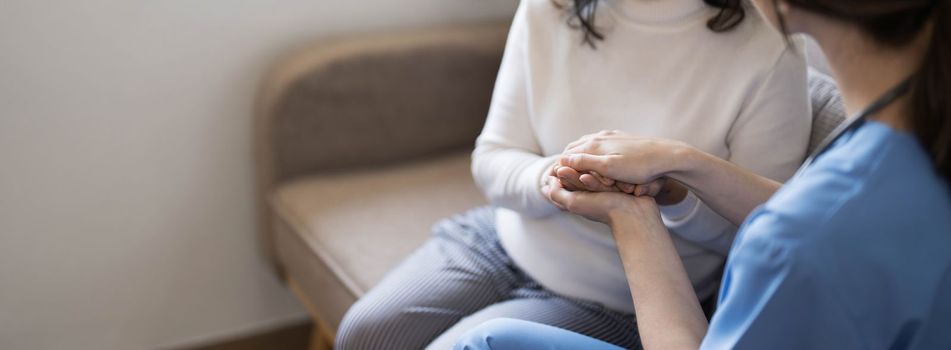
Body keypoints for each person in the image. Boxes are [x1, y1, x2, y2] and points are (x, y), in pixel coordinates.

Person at [455, 0, 951, 349]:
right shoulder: (908, 146)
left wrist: (633, 216)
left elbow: (802, 233)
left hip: (619, 298)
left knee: (479, 343)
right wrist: (685, 161)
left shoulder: (790, 242)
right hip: (513, 241)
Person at [334, 0, 812, 348]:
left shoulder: (769, 53)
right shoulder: (549, 9)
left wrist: (673, 196)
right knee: (366, 331)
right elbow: (494, 156)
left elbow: (757, 237)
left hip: (615, 299)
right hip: (501, 240)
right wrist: (557, 178)